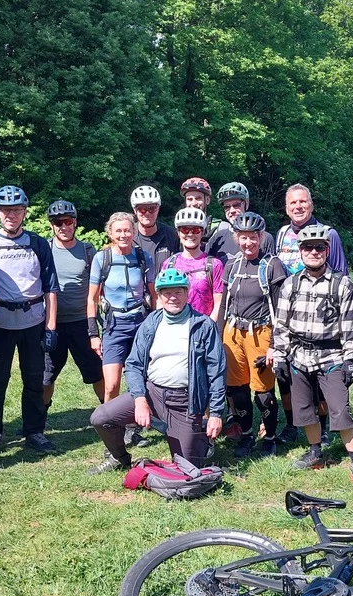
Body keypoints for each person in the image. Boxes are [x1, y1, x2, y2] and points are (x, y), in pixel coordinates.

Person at [88, 268, 226, 474]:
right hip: (152, 393)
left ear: (187, 293)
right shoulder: (151, 322)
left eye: (178, 292)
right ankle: (119, 458)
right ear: (159, 296)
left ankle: (200, 439)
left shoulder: (204, 325)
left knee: (187, 470)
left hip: (185, 402)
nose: (173, 297)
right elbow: (133, 364)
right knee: (101, 417)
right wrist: (140, 400)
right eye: (166, 292)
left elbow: (217, 372)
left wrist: (215, 413)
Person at [270, 225, 353, 491]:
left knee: (340, 410)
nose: (313, 252)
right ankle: (315, 451)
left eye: (319, 247)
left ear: (327, 250)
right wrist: (281, 357)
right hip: (299, 355)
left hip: (332, 356)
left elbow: (352, 327)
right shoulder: (290, 284)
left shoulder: (342, 284)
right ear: (300, 251)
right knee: (306, 410)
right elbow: (281, 325)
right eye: (308, 248)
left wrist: (351, 360)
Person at [0, 186, 59, 458]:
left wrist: (51, 327)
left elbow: (51, 287)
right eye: (6, 210)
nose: (11, 215)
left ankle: (34, 431)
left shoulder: (37, 243)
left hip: (33, 322)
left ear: (25, 212)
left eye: (17, 210)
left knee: (34, 379)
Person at [220, 211, 288, 458]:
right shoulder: (232, 265)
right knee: (236, 388)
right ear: (236, 237)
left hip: (261, 331)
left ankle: (269, 438)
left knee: (263, 389)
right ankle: (246, 435)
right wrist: (219, 337)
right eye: (243, 237)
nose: (248, 243)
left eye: (253, 237)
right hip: (233, 331)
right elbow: (223, 304)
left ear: (261, 237)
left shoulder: (272, 265)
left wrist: (274, 345)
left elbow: (281, 308)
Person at [88, 213, 156, 440]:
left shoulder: (144, 257)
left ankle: (133, 428)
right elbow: (92, 299)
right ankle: (111, 428)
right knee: (112, 384)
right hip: (114, 325)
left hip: (140, 322)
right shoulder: (102, 258)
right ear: (110, 233)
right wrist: (93, 333)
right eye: (118, 231)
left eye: (127, 230)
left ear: (134, 232)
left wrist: (156, 325)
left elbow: (154, 294)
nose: (123, 234)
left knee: (141, 378)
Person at [42, 200, 104, 408]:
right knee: (45, 376)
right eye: (58, 222)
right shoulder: (45, 249)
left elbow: (99, 286)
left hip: (82, 322)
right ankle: (37, 423)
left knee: (96, 372)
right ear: (52, 225)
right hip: (52, 323)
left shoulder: (88, 250)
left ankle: (110, 415)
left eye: (68, 221)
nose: (64, 227)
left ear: (75, 222)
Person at [164, 208, 224, 320]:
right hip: (175, 326)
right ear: (178, 233)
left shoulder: (214, 265)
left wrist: (208, 328)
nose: (190, 234)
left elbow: (218, 304)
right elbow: (162, 299)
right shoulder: (169, 264)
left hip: (204, 327)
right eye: (185, 230)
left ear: (203, 232)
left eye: (196, 230)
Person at [275, 184, 348, 275]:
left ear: (311, 206)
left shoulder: (328, 234)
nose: (298, 206)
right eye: (293, 203)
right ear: (287, 209)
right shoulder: (282, 233)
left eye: (303, 201)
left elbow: (341, 276)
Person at [205, 182, 276, 260]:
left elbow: (271, 268)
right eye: (227, 207)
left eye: (236, 205)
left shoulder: (265, 238)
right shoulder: (218, 237)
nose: (232, 210)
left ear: (247, 204)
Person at [129, 185, 179, 278]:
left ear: (158, 209)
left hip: (165, 289)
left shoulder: (172, 235)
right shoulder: (128, 236)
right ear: (135, 210)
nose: (147, 213)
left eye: (152, 208)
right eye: (142, 209)